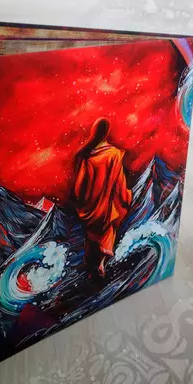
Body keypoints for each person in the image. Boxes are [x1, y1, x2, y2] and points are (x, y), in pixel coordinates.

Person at [74, 118, 132, 280]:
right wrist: (126, 196)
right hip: (106, 207)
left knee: (91, 237)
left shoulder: (87, 154)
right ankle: (100, 265)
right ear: (106, 132)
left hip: (90, 207)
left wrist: (83, 202)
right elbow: (119, 182)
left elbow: (79, 186)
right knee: (106, 232)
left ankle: (91, 268)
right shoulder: (114, 154)